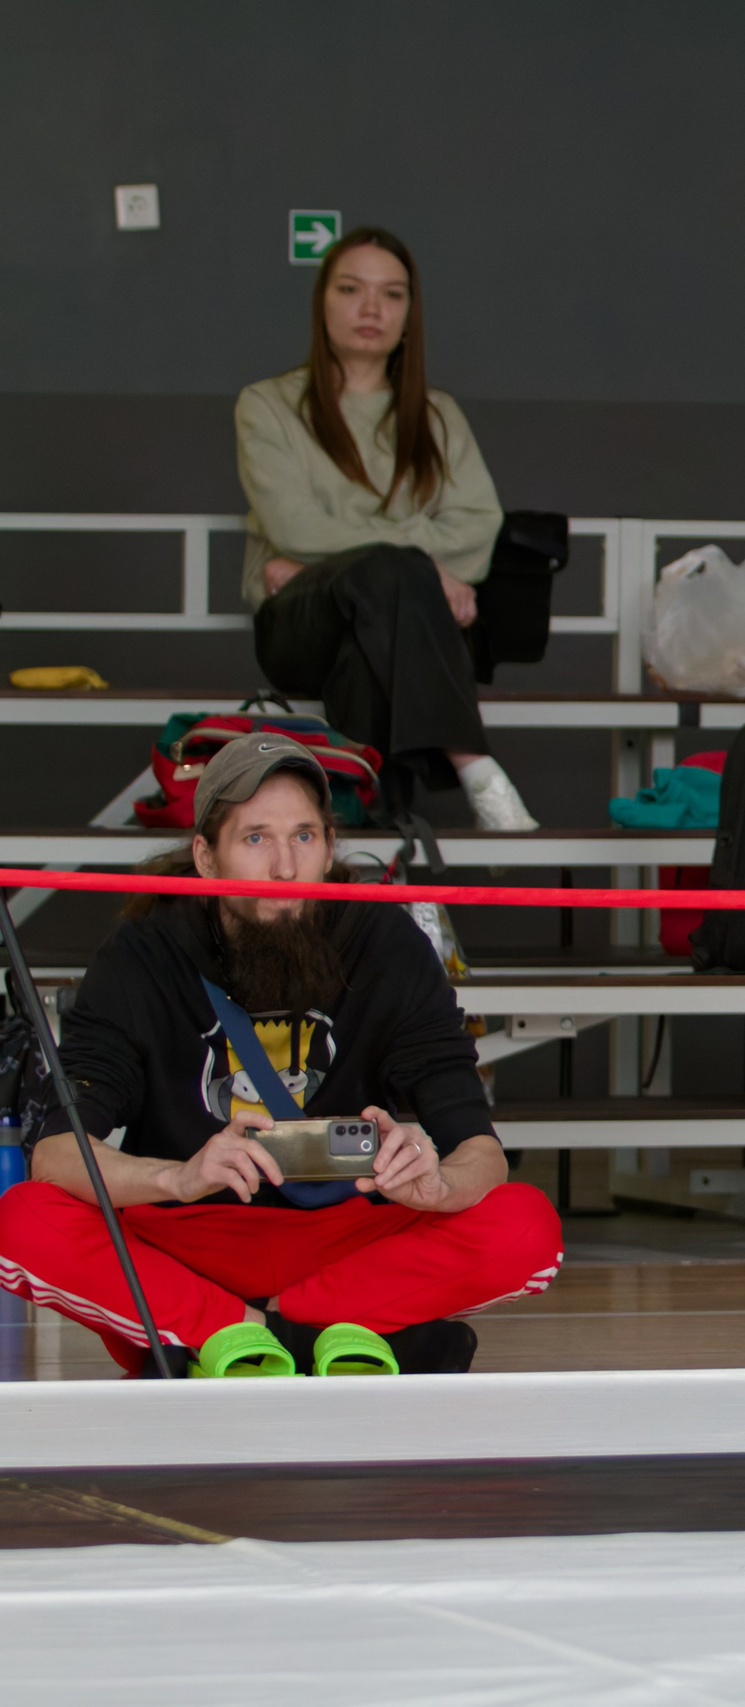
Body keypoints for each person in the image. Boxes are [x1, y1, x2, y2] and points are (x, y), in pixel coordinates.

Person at [0, 736, 562, 1376]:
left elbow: (481, 1153)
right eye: (256, 838)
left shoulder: (385, 939)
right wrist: (177, 1177)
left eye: (303, 837)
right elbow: (56, 1154)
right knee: (22, 1220)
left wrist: (437, 1185)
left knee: (526, 1224)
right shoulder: (142, 951)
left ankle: (241, 1340)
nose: (285, 868)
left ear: (330, 848)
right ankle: (291, 1335)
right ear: (206, 857)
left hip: (349, 1240)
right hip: (191, 1236)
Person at [237, 227, 537, 830]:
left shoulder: (436, 415)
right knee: (391, 575)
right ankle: (472, 760)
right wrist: (419, 561)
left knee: (369, 643)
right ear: (323, 301)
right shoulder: (266, 405)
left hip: (380, 633)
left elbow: (480, 527)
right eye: (351, 289)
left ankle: (369, 837)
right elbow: (293, 525)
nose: (372, 308)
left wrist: (358, 562)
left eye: (392, 294)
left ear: (409, 314)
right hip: (298, 625)